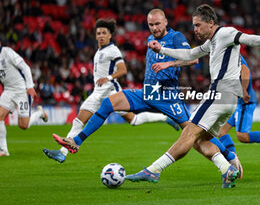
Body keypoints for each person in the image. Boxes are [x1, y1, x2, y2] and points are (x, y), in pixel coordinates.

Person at [125, 4, 260, 188]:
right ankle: (227, 169)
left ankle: (153, 170)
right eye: (194, 25)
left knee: (188, 133)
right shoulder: (212, 42)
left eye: (198, 25)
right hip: (229, 101)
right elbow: (190, 53)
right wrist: (161, 50)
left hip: (219, 95)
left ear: (210, 23)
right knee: (200, 139)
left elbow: (247, 38)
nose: (195, 30)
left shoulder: (226, 33)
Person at [43, 18, 181, 163]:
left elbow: (123, 69)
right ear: (95, 36)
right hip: (98, 92)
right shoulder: (99, 51)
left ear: (110, 35)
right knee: (81, 121)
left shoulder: (113, 50)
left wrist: (108, 78)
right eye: (98, 33)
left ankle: (166, 118)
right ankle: (62, 153)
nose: (101, 35)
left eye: (104, 33)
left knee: (132, 120)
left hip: (110, 90)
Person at [0, 42, 48, 156]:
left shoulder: (7, 52)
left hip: (21, 90)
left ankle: (39, 114)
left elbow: (24, 67)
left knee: (23, 126)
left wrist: (30, 86)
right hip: (8, 91)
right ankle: (4, 149)